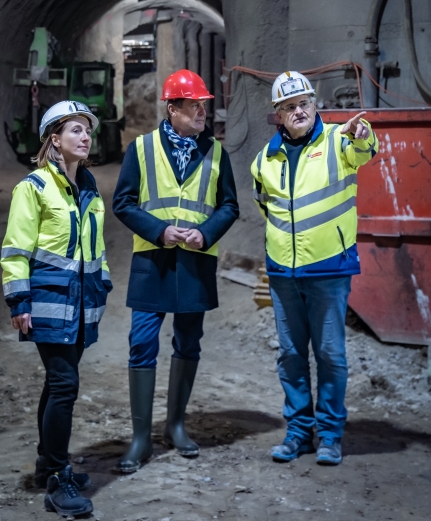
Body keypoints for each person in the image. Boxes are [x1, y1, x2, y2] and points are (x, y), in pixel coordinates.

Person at [113, 69, 239, 473]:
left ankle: (176, 425)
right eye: (194, 106)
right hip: (153, 260)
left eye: (204, 105)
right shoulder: (142, 148)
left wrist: (205, 234)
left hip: (195, 262)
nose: (203, 112)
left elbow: (229, 206)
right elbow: (124, 202)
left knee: (189, 342)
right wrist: (160, 231)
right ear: (173, 109)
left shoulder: (217, 152)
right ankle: (140, 438)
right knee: (142, 343)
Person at [251, 71, 379, 465]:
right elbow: (265, 208)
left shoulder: (340, 141)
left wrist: (363, 135)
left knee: (330, 355)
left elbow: (367, 149)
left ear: (315, 104)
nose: (299, 111)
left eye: (304, 103)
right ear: (278, 115)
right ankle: (297, 433)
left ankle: (329, 435)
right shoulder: (264, 160)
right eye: (289, 107)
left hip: (328, 270)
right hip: (284, 274)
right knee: (290, 355)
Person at [0, 100, 112, 516]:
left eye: (87, 130)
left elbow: (96, 244)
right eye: (76, 131)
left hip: (82, 303)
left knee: (57, 383)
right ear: (54, 140)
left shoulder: (88, 185)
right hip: (49, 302)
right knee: (65, 385)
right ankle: (58, 479)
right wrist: (18, 299)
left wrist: (105, 282)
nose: (85, 137)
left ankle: (47, 465)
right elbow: (15, 249)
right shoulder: (34, 187)